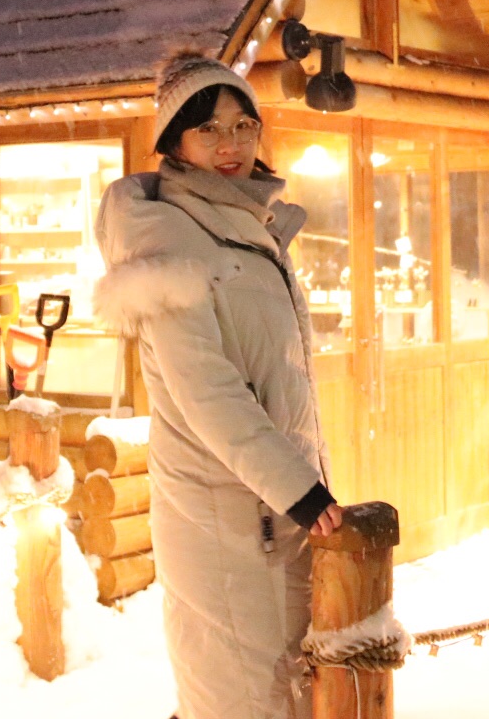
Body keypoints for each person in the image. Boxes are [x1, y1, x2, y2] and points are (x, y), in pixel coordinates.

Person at [93, 50, 341, 719]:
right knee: (239, 702)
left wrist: (300, 487)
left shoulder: (250, 233)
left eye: (242, 125)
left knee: (283, 696)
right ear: (174, 143)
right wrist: (299, 490)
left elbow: (277, 380)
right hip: (225, 523)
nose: (230, 144)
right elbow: (207, 390)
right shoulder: (169, 238)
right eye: (208, 129)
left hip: (273, 514)